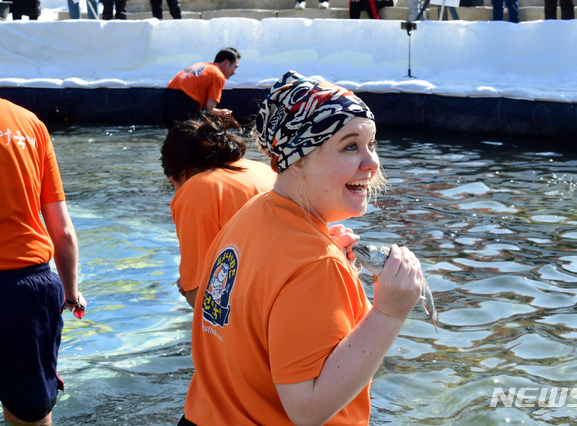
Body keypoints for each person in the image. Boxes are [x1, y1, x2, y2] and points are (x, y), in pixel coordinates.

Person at [178, 71, 424, 425]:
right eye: (350, 146)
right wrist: (390, 313)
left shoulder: (252, 213)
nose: (372, 163)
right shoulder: (313, 263)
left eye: (371, 144)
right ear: (298, 160)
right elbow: (307, 410)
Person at [0, 99, 87, 424]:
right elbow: (61, 229)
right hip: (27, 289)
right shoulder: (29, 124)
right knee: (29, 413)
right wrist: (71, 293)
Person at [160, 115, 276, 308]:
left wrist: (191, 285)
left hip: (259, 309)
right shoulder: (262, 170)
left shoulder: (194, 191)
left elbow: (200, 298)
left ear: (183, 172)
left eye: (173, 184)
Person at [161, 47, 241, 129]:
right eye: (235, 67)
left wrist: (218, 111)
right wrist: (218, 113)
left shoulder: (200, 65)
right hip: (184, 101)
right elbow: (209, 108)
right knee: (190, 137)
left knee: (174, 135)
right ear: (226, 62)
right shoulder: (218, 75)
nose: (235, 72)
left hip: (166, 98)